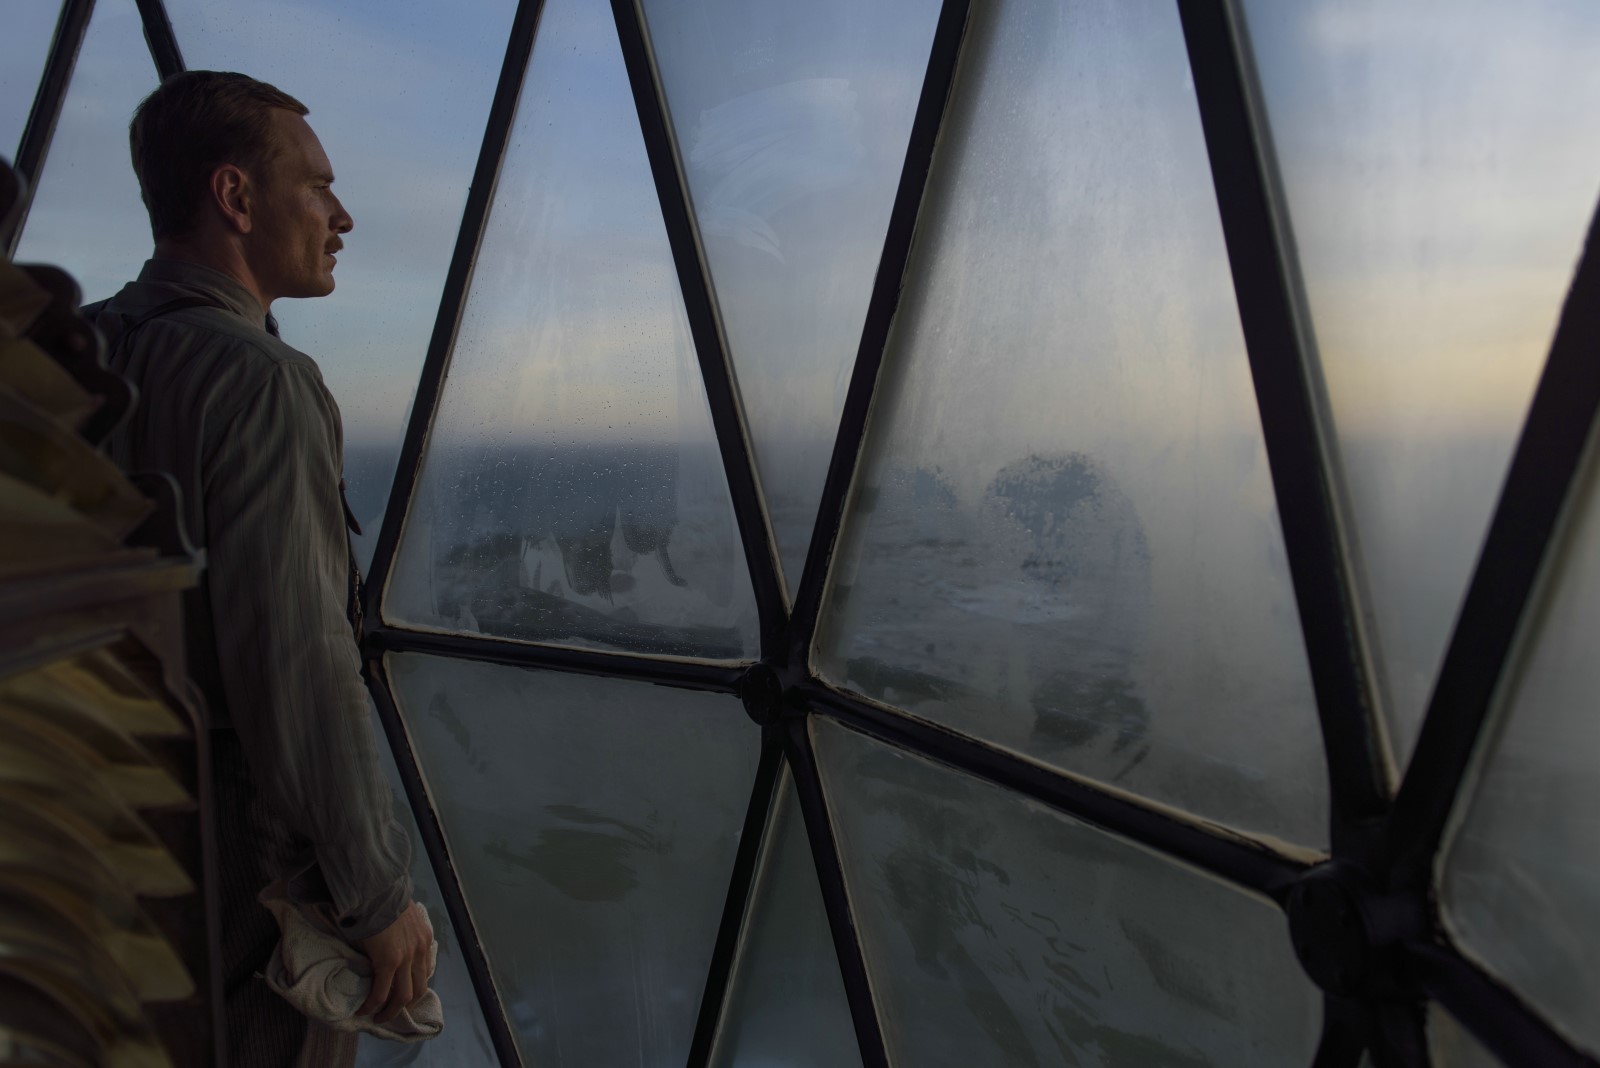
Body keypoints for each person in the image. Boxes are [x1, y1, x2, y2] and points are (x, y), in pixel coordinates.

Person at [83, 71, 431, 1066]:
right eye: (316, 186)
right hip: (235, 877)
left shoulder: (77, 352)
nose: (341, 215)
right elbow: (298, 661)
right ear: (235, 196)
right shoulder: (261, 382)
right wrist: (375, 895)